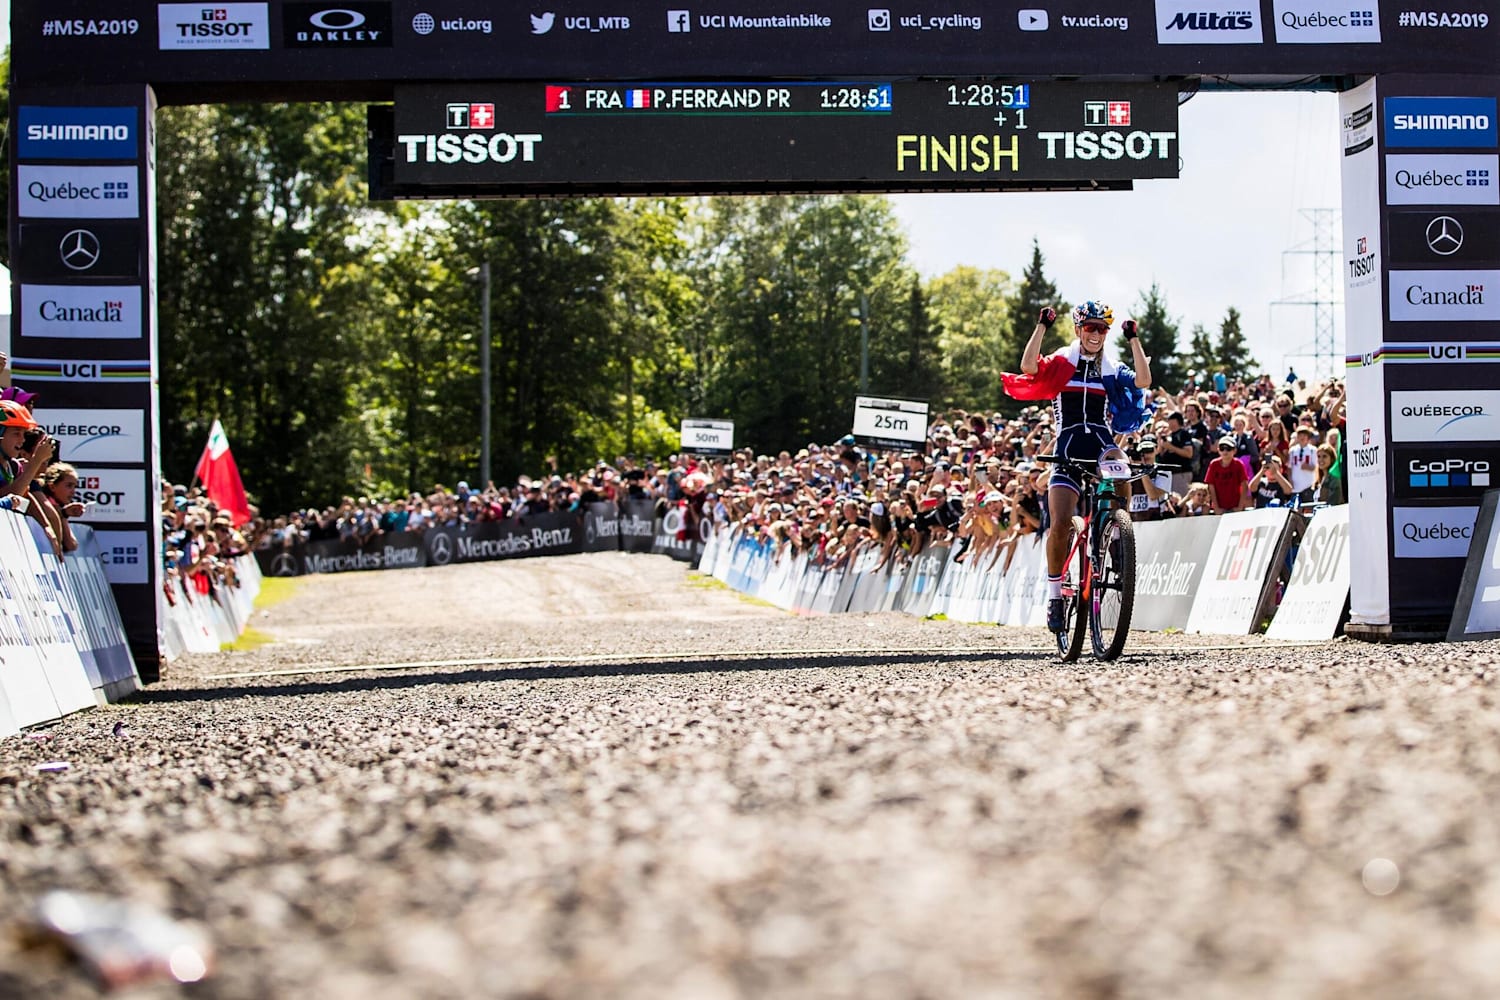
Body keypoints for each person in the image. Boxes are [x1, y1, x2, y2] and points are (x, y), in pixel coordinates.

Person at [1002, 301, 1152, 633]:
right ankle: (1056, 596)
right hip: (1067, 444)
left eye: (1102, 329)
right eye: (1090, 328)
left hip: (1101, 443)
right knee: (1059, 525)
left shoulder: (1111, 367)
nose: (1096, 334)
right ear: (1078, 330)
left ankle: (1116, 531)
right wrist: (1041, 326)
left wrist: (1133, 340)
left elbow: (1143, 381)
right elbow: (1028, 366)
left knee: (1121, 466)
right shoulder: (1063, 360)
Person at [1204, 436, 1251, 514]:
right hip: (1219, 507)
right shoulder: (1213, 464)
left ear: (1234, 450)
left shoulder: (1238, 464)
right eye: (1222, 448)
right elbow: (1211, 486)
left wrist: (1240, 506)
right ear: (1218, 450)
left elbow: (1244, 485)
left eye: (1228, 448)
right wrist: (1216, 507)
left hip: (1235, 507)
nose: (1225, 451)